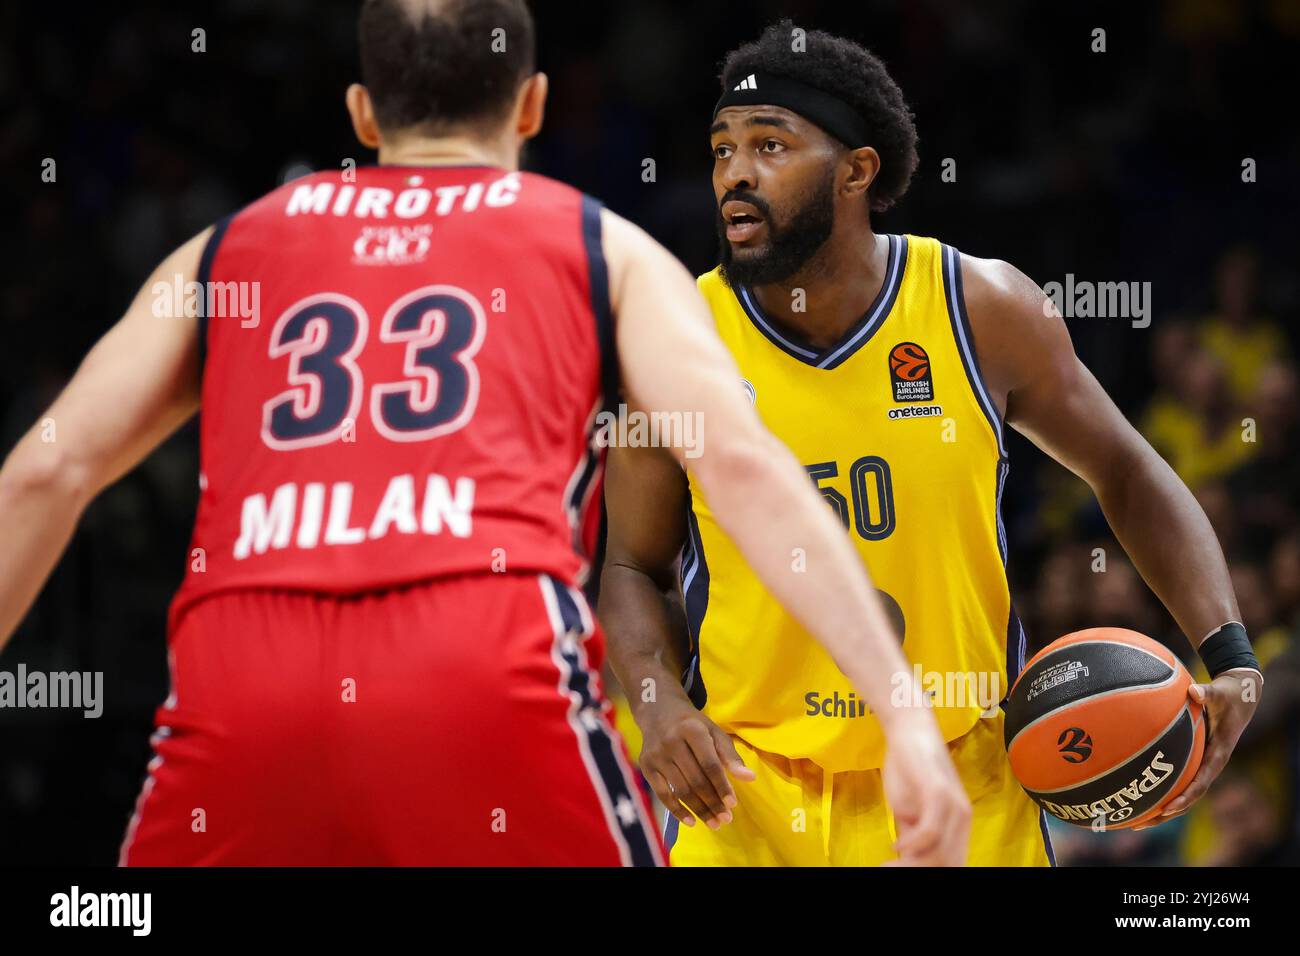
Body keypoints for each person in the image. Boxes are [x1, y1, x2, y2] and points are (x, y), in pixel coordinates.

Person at [0, 1, 969, 866]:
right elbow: (743, 467)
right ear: (532, 104)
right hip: (480, 660)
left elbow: (48, 473)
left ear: (363, 114)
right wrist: (904, 718)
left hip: (245, 671)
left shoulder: (229, 247)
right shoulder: (602, 248)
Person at [600, 21, 1261, 866]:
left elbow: (1125, 467)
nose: (734, 173)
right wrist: (658, 707)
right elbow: (630, 565)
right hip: (750, 798)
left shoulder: (980, 308)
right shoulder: (676, 339)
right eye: (723, 148)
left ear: (857, 170)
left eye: (770, 145)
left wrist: (1231, 654)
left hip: (965, 783)